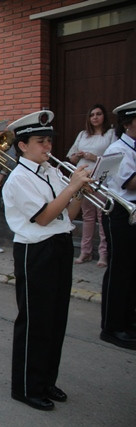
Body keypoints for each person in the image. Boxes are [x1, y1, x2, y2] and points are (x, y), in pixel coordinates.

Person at [3, 110, 91, 411]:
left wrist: (80, 193)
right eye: (41, 142)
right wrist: (72, 187)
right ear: (23, 145)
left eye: (49, 141)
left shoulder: (51, 171)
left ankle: (45, 380)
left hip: (60, 245)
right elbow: (43, 217)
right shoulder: (18, 179)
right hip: (35, 251)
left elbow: (70, 214)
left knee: (56, 320)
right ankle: (26, 387)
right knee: (35, 322)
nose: (48, 147)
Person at [99, 100, 136, 350]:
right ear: (127, 124)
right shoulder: (118, 149)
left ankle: (128, 319)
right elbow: (130, 183)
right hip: (120, 213)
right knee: (119, 271)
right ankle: (111, 327)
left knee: (132, 271)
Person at [66, 104, 114, 267]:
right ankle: (85, 252)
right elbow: (71, 159)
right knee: (87, 217)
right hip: (83, 180)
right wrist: (77, 155)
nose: (95, 117)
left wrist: (94, 157)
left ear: (104, 116)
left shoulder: (110, 133)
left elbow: (114, 158)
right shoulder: (82, 134)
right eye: (92, 114)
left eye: (98, 114)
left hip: (101, 180)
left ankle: (103, 254)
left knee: (102, 218)